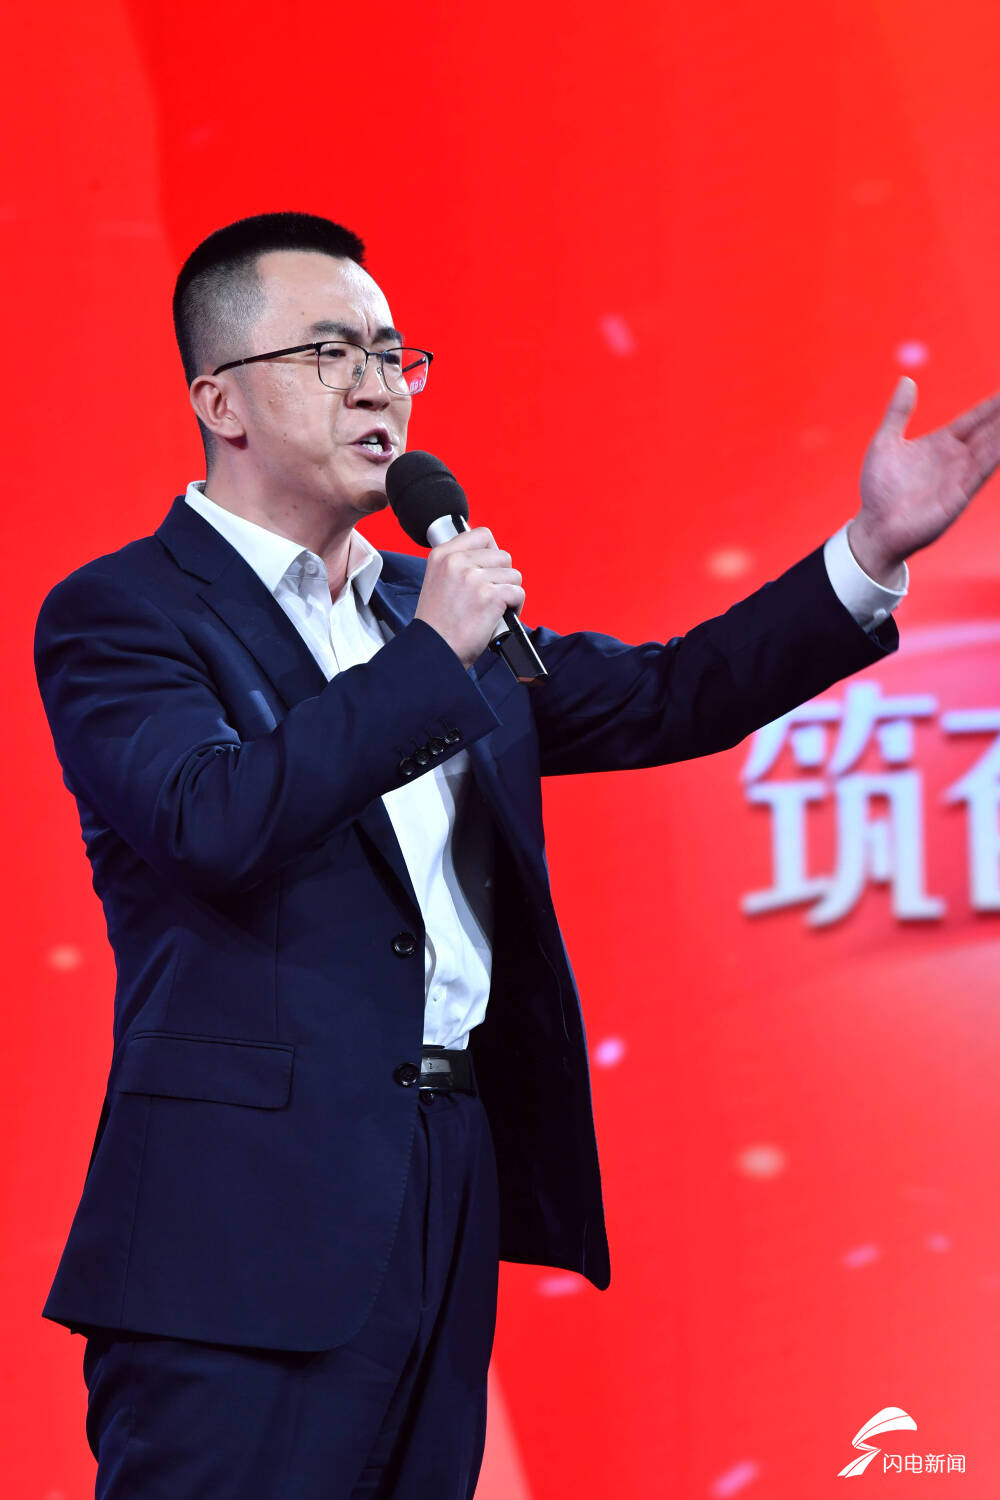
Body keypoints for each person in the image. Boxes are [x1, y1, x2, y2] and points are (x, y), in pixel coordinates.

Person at [33, 210, 1000, 1499]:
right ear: (221, 401)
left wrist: (867, 555)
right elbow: (212, 818)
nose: (377, 383)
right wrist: (434, 658)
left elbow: (668, 696)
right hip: (237, 1234)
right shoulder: (125, 612)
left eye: (391, 352)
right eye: (330, 352)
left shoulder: (419, 608)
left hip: (443, 1175)